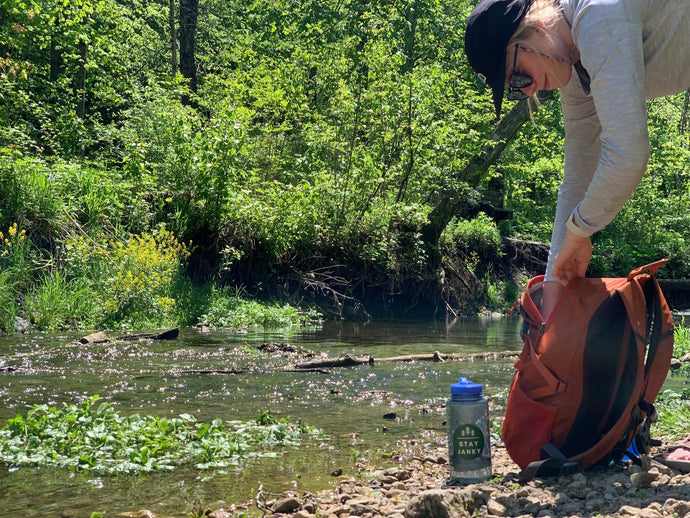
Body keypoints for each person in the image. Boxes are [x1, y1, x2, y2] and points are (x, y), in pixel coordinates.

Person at [464, 0, 690, 319]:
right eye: (516, 91)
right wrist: (554, 292)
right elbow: (577, 180)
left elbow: (628, 155)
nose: (527, 92)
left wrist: (579, 231)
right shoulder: (576, 70)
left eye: (517, 78)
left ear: (530, 27)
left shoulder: (596, 16)